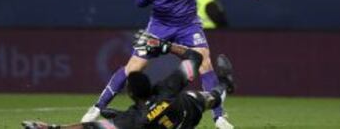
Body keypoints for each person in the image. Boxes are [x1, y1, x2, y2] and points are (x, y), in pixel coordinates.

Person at [81, 0, 259, 128]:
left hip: (188, 24)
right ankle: (97, 108)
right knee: (134, 67)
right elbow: (139, 0)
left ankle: (219, 117)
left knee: (205, 62)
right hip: (160, 25)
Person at [22, 32, 235, 129]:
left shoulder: (132, 119)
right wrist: (166, 47)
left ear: (131, 94)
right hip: (187, 112)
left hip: (169, 124)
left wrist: (53, 128)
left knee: (113, 120)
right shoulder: (167, 87)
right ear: (150, 86)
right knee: (210, 97)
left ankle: (225, 85)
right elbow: (195, 57)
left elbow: (90, 128)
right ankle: (225, 83)